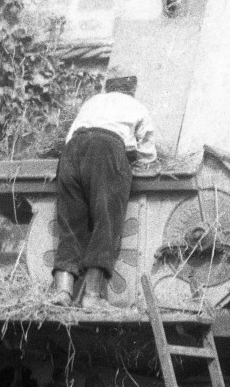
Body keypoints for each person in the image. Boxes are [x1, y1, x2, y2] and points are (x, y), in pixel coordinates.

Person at [49, 75, 161, 309]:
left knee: (70, 223)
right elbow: (148, 155)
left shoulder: (92, 102)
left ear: (108, 88)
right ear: (131, 91)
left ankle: (62, 292)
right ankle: (92, 296)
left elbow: (70, 137)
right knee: (106, 222)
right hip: (107, 151)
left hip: (72, 152)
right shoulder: (136, 107)